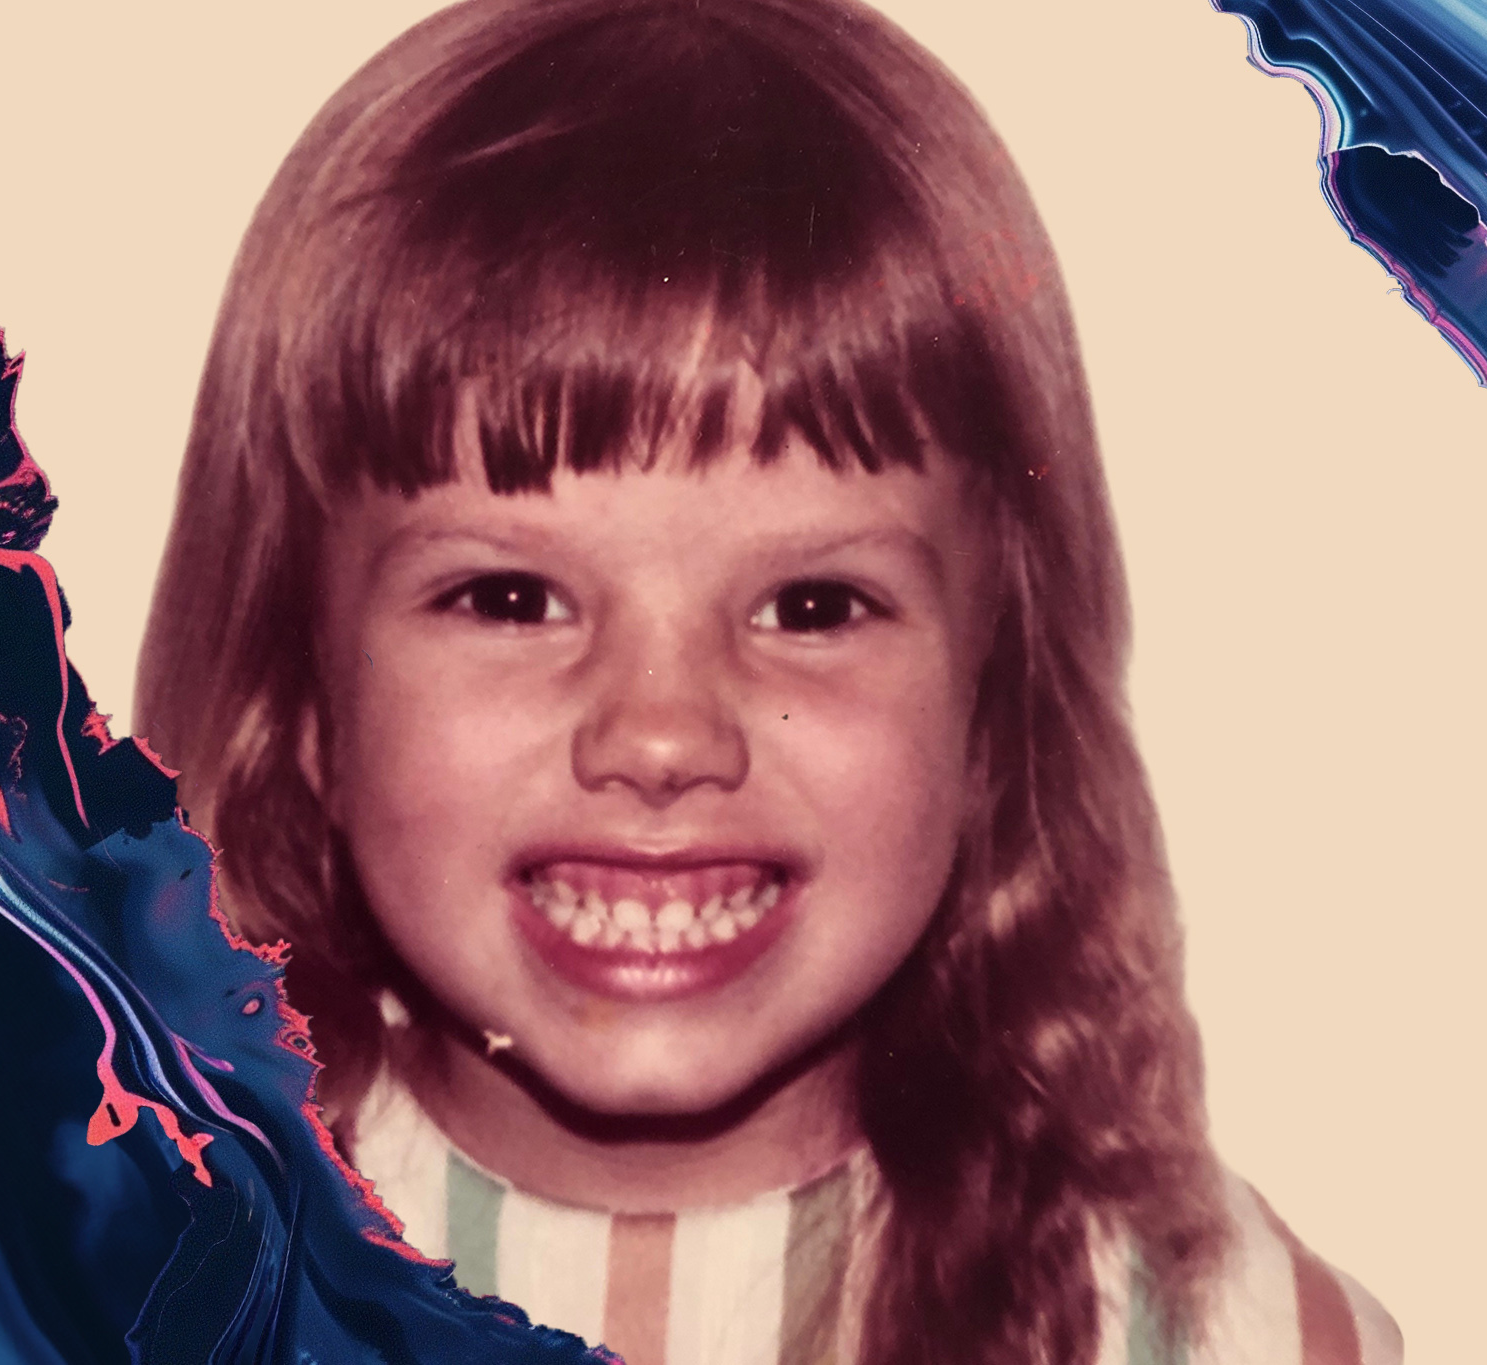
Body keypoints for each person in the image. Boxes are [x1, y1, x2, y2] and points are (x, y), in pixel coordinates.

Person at [136, 1, 1402, 1361]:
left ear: (995, 707)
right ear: (303, 695)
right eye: (509, 595)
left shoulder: (1229, 1336)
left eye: (812, 604)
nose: (663, 735)